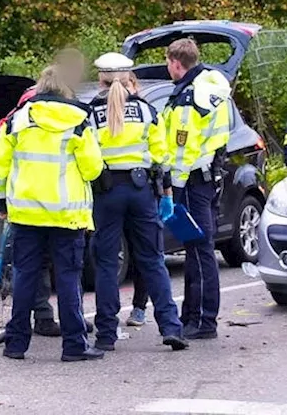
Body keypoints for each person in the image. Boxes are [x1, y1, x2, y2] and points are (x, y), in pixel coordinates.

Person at [0, 65, 105, 362]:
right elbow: (93, 168)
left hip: (26, 214)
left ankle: (15, 344)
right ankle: (74, 346)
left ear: (39, 87)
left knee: (25, 277)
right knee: (68, 280)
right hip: (67, 215)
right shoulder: (79, 120)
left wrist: (2, 203)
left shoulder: (17, 120)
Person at [88, 52, 188, 352]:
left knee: (106, 263)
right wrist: (167, 192)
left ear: (101, 80)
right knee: (153, 259)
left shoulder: (90, 113)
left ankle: (106, 333)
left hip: (106, 192)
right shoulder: (146, 111)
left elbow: (87, 158)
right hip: (141, 190)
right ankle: (171, 327)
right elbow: (162, 156)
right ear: (129, 78)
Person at [162, 39, 232, 340]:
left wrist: (172, 187)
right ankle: (192, 315)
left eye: (168, 63)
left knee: (200, 249)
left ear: (176, 63)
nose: (168, 68)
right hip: (204, 177)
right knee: (195, 249)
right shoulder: (210, 88)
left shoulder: (190, 97)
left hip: (190, 181)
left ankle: (203, 320)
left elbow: (182, 148)